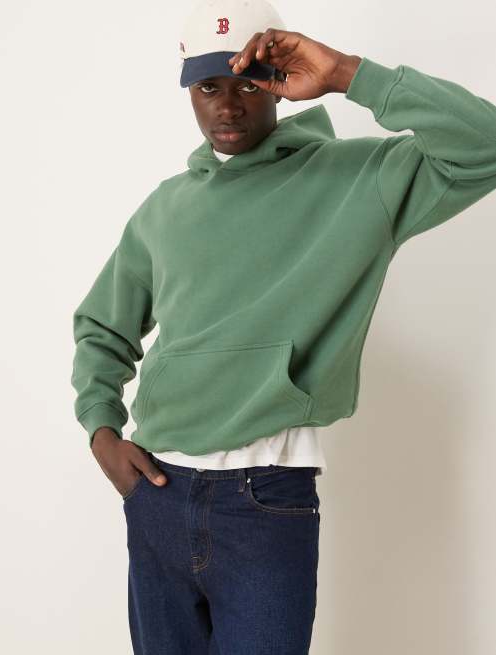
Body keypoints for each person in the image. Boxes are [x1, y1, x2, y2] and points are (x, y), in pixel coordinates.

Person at [70, 0, 496, 652]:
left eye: (248, 84)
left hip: (264, 499)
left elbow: (484, 145)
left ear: (278, 82)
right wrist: (102, 429)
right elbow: (103, 326)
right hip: (156, 488)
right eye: (208, 87)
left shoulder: (356, 179)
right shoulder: (164, 207)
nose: (228, 106)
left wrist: (347, 73)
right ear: (188, 90)